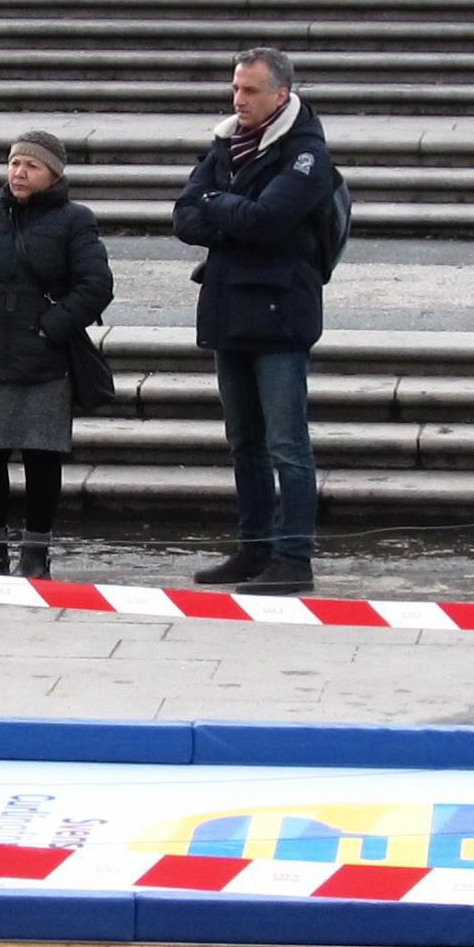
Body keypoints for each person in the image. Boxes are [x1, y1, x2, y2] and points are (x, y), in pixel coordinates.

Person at [171, 48, 335, 595]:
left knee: (287, 444)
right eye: (236, 89)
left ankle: (293, 558)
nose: (238, 99)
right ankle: (254, 548)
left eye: (250, 90)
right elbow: (184, 216)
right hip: (229, 308)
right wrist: (229, 211)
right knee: (244, 441)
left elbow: (270, 219)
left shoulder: (306, 152)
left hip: (280, 313)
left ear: (281, 95)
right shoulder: (227, 142)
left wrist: (217, 204)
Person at [0, 131, 113, 580]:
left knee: (42, 457)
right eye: (15, 163)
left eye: (31, 165)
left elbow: (96, 285)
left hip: (44, 360)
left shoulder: (75, 220)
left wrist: (53, 326)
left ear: (53, 173)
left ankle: (36, 554)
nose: (19, 172)